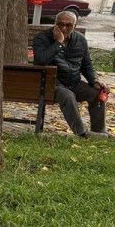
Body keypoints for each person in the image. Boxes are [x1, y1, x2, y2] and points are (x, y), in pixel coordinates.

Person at [32, 10, 108, 138]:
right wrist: (58, 43)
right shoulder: (42, 38)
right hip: (51, 84)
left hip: (74, 82)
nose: (64, 28)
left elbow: (87, 65)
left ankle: (99, 131)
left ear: (75, 26)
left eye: (68, 25)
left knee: (97, 92)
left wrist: (94, 80)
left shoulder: (80, 40)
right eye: (60, 24)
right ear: (55, 24)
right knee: (68, 95)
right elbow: (41, 60)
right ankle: (82, 133)